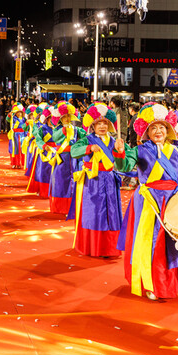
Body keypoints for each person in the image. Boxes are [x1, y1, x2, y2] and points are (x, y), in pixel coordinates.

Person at [113, 103, 178, 300]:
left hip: (172, 201)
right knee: (149, 243)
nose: (158, 131)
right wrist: (119, 152)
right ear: (146, 131)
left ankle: (167, 283)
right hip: (148, 202)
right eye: (153, 127)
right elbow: (123, 165)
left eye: (162, 127)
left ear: (168, 129)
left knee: (169, 244)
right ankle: (149, 283)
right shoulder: (140, 150)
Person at [69, 103, 122, 258]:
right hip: (93, 180)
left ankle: (110, 248)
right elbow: (73, 151)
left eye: (105, 123)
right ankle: (93, 246)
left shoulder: (113, 141)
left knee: (111, 212)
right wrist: (89, 149)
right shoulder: (87, 139)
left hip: (110, 180)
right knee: (95, 213)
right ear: (92, 125)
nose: (102, 126)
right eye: (99, 123)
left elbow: (120, 162)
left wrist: (121, 151)